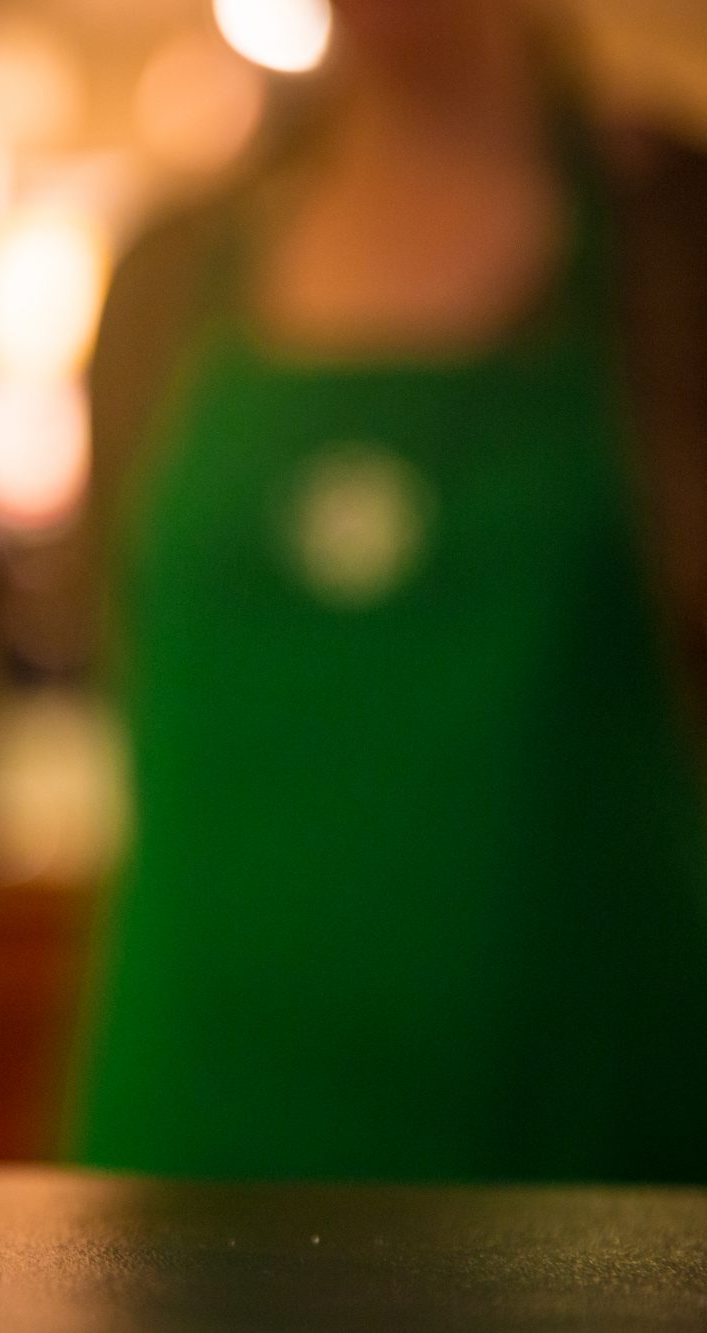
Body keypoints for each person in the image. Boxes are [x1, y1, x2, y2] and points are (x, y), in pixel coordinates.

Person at [69, 0, 707, 1184]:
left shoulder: (671, 245)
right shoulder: (166, 278)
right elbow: (109, 642)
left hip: (583, 1147)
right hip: (191, 1125)